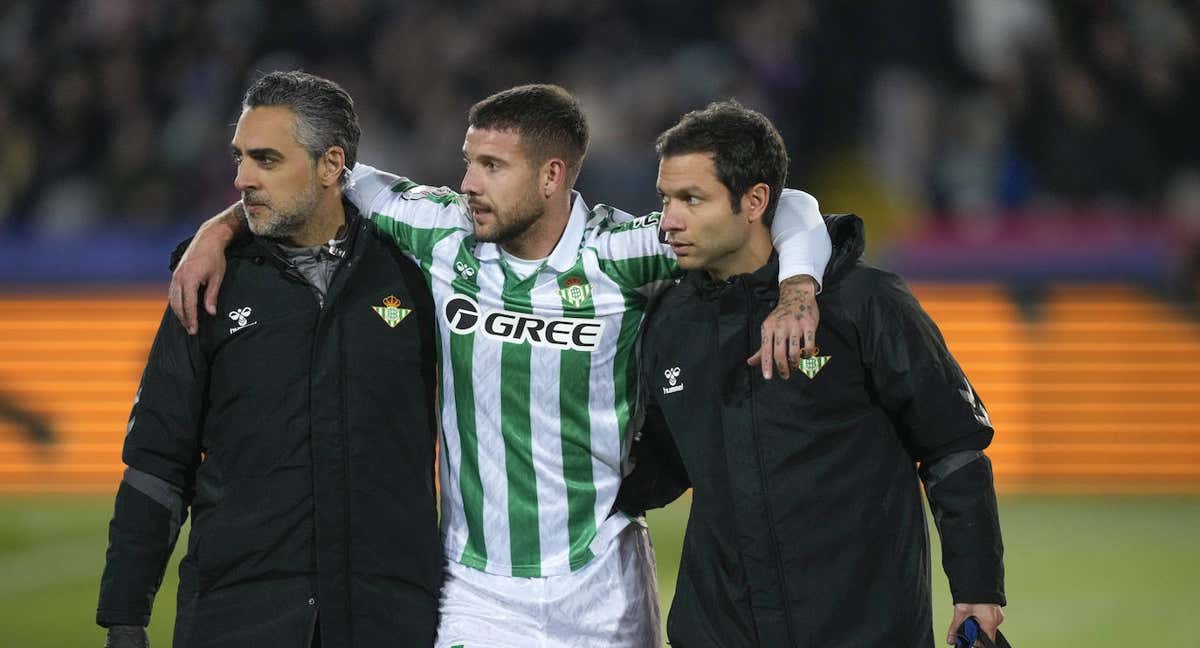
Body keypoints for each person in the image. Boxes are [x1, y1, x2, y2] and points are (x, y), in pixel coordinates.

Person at [170, 82, 832, 648]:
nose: (467, 184)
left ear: (550, 177)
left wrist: (799, 288)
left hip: (601, 584)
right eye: (468, 162)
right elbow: (310, 174)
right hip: (476, 588)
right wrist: (217, 231)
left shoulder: (622, 250)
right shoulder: (441, 230)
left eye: (491, 166)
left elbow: (790, 205)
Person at [620, 100, 1007, 647]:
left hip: (863, 630)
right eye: (665, 198)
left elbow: (953, 448)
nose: (668, 221)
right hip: (718, 631)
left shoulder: (866, 303)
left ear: (754, 201)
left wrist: (977, 588)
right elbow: (664, 462)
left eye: (692, 199)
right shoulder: (671, 321)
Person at [96, 71, 441, 648]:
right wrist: (125, 619)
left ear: (332, 166)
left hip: (385, 617)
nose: (241, 179)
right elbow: (158, 461)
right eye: (239, 158)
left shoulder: (416, 273)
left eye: (266, 160)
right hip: (238, 618)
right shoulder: (210, 284)